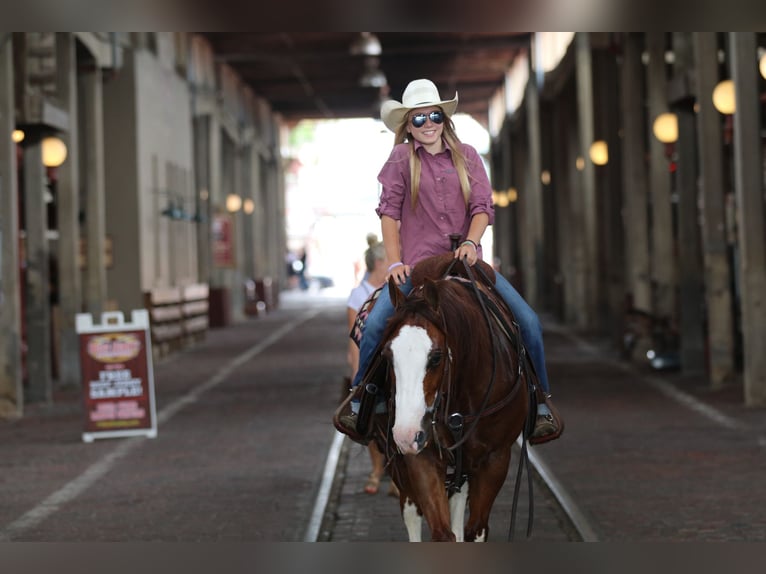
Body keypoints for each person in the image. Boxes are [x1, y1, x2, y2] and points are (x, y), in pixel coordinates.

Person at [338, 78, 561, 444]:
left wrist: (472, 241)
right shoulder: (400, 159)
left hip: (465, 263)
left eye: (434, 116)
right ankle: (363, 398)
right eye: (419, 119)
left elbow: (482, 207)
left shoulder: (468, 155)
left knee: (528, 322)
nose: (428, 125)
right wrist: (394, 263)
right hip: (418, 266)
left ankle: (539, 404)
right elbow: (389, 214)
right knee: (376, 325)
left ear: (445, 118)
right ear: (408, 125)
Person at [346, 234, 398, 496]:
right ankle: (377, 470)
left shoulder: (396, 288)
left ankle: (398, 474)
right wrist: (358, 373)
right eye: (389, 258)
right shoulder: (359, 295)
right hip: (370, 364)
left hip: (392, 363)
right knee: (374, 419)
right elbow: (355, 339)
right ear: (379, 262)